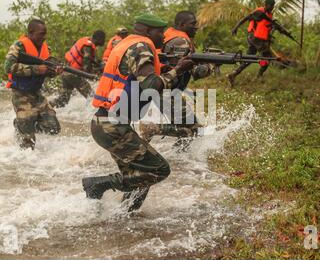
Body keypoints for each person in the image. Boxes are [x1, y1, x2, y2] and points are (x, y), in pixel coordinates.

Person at [82, 13, 195, 211]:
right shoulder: (140, 47)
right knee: (159, 169)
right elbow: (151, 84)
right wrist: (178, 69)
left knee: (141, 177)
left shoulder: (131, 44)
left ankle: (126, 215)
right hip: (112, 126)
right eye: (160, 32)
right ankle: (97, 184)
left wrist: (172, 68)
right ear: (147, 31)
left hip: (108, 123)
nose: (163, 36)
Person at [139, 11, 212, 144]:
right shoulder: (181, 41)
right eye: (193, 24)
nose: (196, 27)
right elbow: (190, 70)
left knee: (188, 129)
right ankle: (153, 128)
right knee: (195, 130)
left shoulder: (171, 36)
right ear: (181, 24)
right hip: (167, 91)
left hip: (164, 89)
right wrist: (209, 66)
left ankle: (179, 157)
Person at [4, 19, 63, 150]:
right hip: (21, 94)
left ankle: (22, 125)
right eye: (41, 34)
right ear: (30, 33)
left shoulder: (46, 48)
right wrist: (36, 69)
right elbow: (8, 67)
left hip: (37, 94)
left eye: (45, 34)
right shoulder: (18, 47)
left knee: (54, 128)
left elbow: (48, 72)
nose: (44, 37)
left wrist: (55, 72)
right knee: (28, 144)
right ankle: (24, 127)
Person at [50, 30, 106, 108]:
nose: (104, 41)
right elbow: (86, 65)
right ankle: (97, 114)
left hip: (66, 72)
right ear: (99, 39)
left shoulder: (86, 41)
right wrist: (95, 75)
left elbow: (91, 60)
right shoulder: (88, 46)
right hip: (73, 73)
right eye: (103, 39)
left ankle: (48, 106)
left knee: (63, 99)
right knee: (92, 97)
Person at [227, 0, 277, 86]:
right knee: (268, 57)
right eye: (271, 5)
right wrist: (235, 27)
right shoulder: (259, 12)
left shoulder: (269, 15)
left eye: (273, 5)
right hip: (254, 38)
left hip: (257, 39)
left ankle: (233, 74)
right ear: (266, 4)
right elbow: (246, 18)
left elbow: (265, 27)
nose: (272, 7)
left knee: (250, 58)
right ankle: (258, 77)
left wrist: (270, 35)